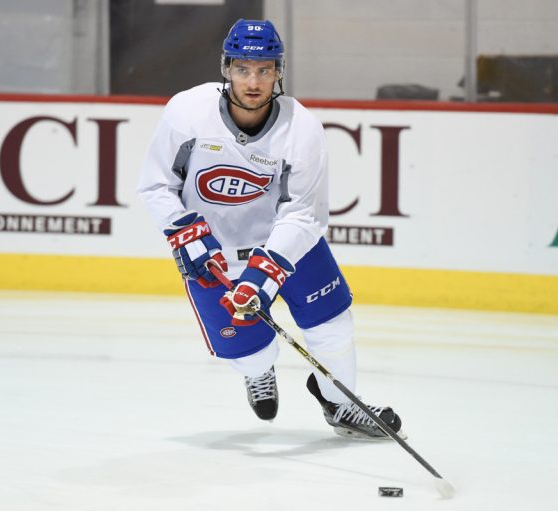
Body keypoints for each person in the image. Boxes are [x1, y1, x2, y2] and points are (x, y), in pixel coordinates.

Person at [137, 19, 402, 439]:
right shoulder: (187, 112)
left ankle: (341, 402)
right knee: (253, 354)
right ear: (226, 69)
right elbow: (156, 184)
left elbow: (303, 213)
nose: (253, 81)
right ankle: (258, 370)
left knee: (333, 328)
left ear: (279, 71)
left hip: (287, 245)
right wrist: (185, 231)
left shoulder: (302, 128)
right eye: (243, 69)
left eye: (264, 69)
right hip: (214, 254)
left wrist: (266, 271)